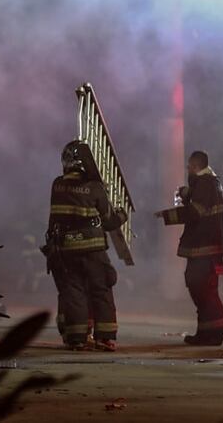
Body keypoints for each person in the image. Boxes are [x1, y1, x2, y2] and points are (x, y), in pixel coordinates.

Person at [44, 140, 127, 351]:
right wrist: (122, 214)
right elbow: (108, 222)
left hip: (66, 249)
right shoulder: (95, 188)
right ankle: (105, 337)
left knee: (74, 292)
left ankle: (77, 338)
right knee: (101, 289)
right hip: (93, 249)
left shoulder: (57, 185)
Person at [155, 150, 223, 346]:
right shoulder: (211, 184)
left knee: (202, 289)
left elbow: (196, 212)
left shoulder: (205, 184)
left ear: (195, 167)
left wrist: (167, 215)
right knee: (203, 289)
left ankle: (213, 332)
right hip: (208, 247)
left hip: (203, 248)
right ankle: (207, 332)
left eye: (189, 166)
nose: (187, 169)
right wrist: (188, 194)